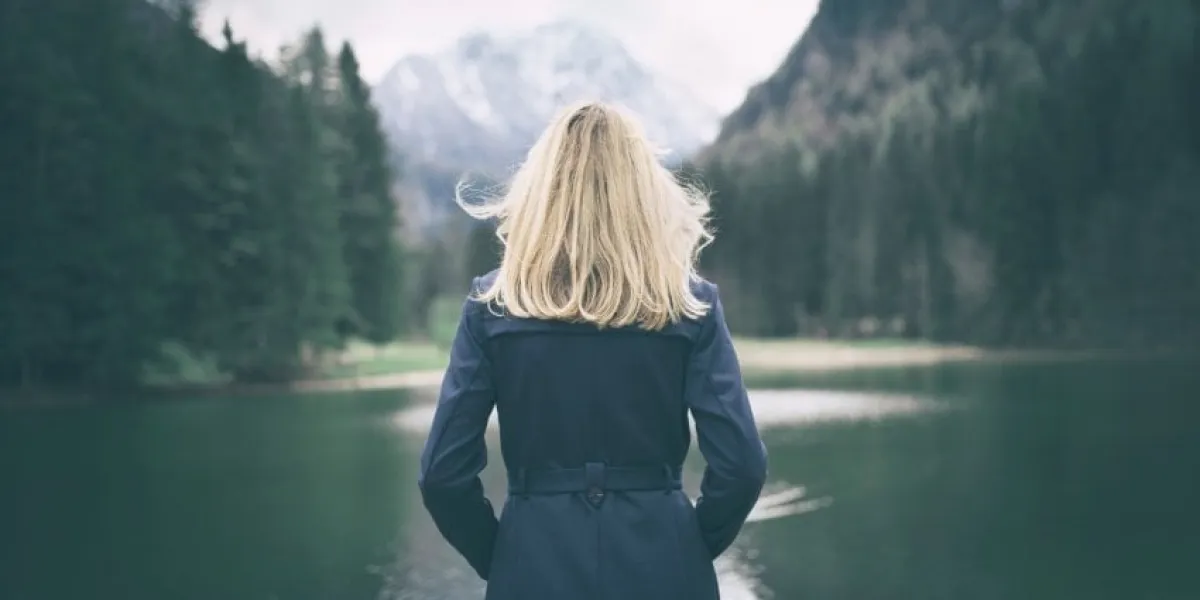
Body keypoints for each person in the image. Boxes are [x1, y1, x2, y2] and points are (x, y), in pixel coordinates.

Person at [417, 101, 768, 600]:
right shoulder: (689, 306)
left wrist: (504, 555)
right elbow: (742, 467)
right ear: (643, 194)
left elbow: (442, 477)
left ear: (542, 193)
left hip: (531, 571)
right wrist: (684, 545)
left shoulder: (491, 308)